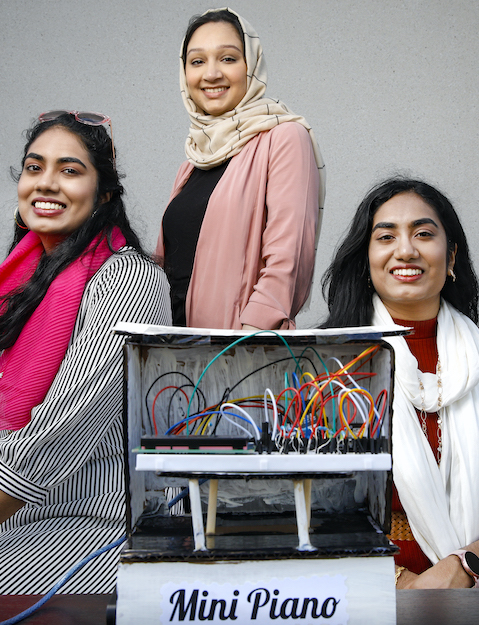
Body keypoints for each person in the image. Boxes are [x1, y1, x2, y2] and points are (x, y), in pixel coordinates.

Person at [0, 111, 172, 594]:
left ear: (105, 194)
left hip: (98, 526)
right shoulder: (19, 285)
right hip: (17, 525)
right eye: (34, 168)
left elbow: (62, 431)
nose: (46, 183)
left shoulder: (128, 279)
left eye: (70, 171)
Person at [322, 177, 479, 589]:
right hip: (353, 594)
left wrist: (465, 568)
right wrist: (401, 585)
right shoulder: (325, 369)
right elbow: (299, 508)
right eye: (386, 236)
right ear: (367, 258)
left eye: (424, 234)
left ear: (451, 257)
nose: (405, 250)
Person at [156, 7, 326, 330]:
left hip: (238, 357)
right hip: (172, 356)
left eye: (228, 58)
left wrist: (242, 348)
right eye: (197, 61)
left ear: (252, 65)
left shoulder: (285, 137)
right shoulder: (192, 163)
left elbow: (285, 264)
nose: (211, 74)